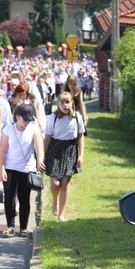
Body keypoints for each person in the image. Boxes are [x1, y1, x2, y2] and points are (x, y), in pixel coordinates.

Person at [0, 103, 45, 238]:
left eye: (29, 119)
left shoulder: (33, 128)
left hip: (27, 168)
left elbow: (38, 145)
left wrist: (40, 161)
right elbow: (3, 150)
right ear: (17, 116)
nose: (27, 122)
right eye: (25, 119)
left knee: (24, 198)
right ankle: (10, 226)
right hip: (11, 167)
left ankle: (23, 227)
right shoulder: (8, 129)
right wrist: (2, 169)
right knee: (9, 197)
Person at [43, 91, 85, 222]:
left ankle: (62, 213)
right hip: (55, 150)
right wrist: (41, 157)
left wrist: (81, 155)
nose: (65, 105)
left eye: (67, 102)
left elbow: (80, 136)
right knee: (55, 183)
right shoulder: (53, 118)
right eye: (62, 103)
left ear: (72, 103)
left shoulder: (77, 117)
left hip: (70, 150)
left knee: (65, 183)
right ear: (58, 104)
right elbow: (47, 138)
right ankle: (55, 201)